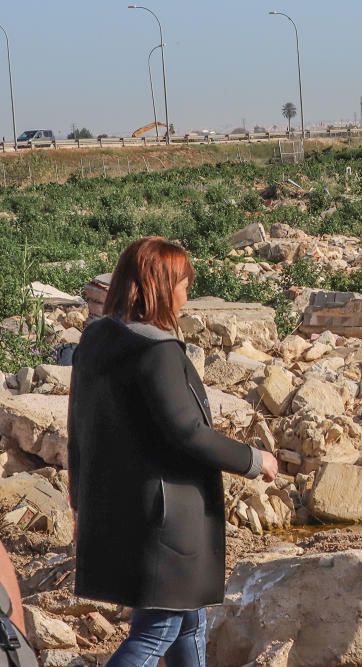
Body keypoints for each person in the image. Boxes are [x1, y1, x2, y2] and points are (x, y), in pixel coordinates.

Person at [68, 237, 278, 667]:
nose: (186, 294)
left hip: (121, 505)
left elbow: (78, 429)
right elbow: (187, 432)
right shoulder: (157, 350)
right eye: (183, 284)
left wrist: (79, 501)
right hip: (166, 517)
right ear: (161, 286)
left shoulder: (98, 341)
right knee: (157, 630)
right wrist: (254, 461)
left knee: (188, 622)